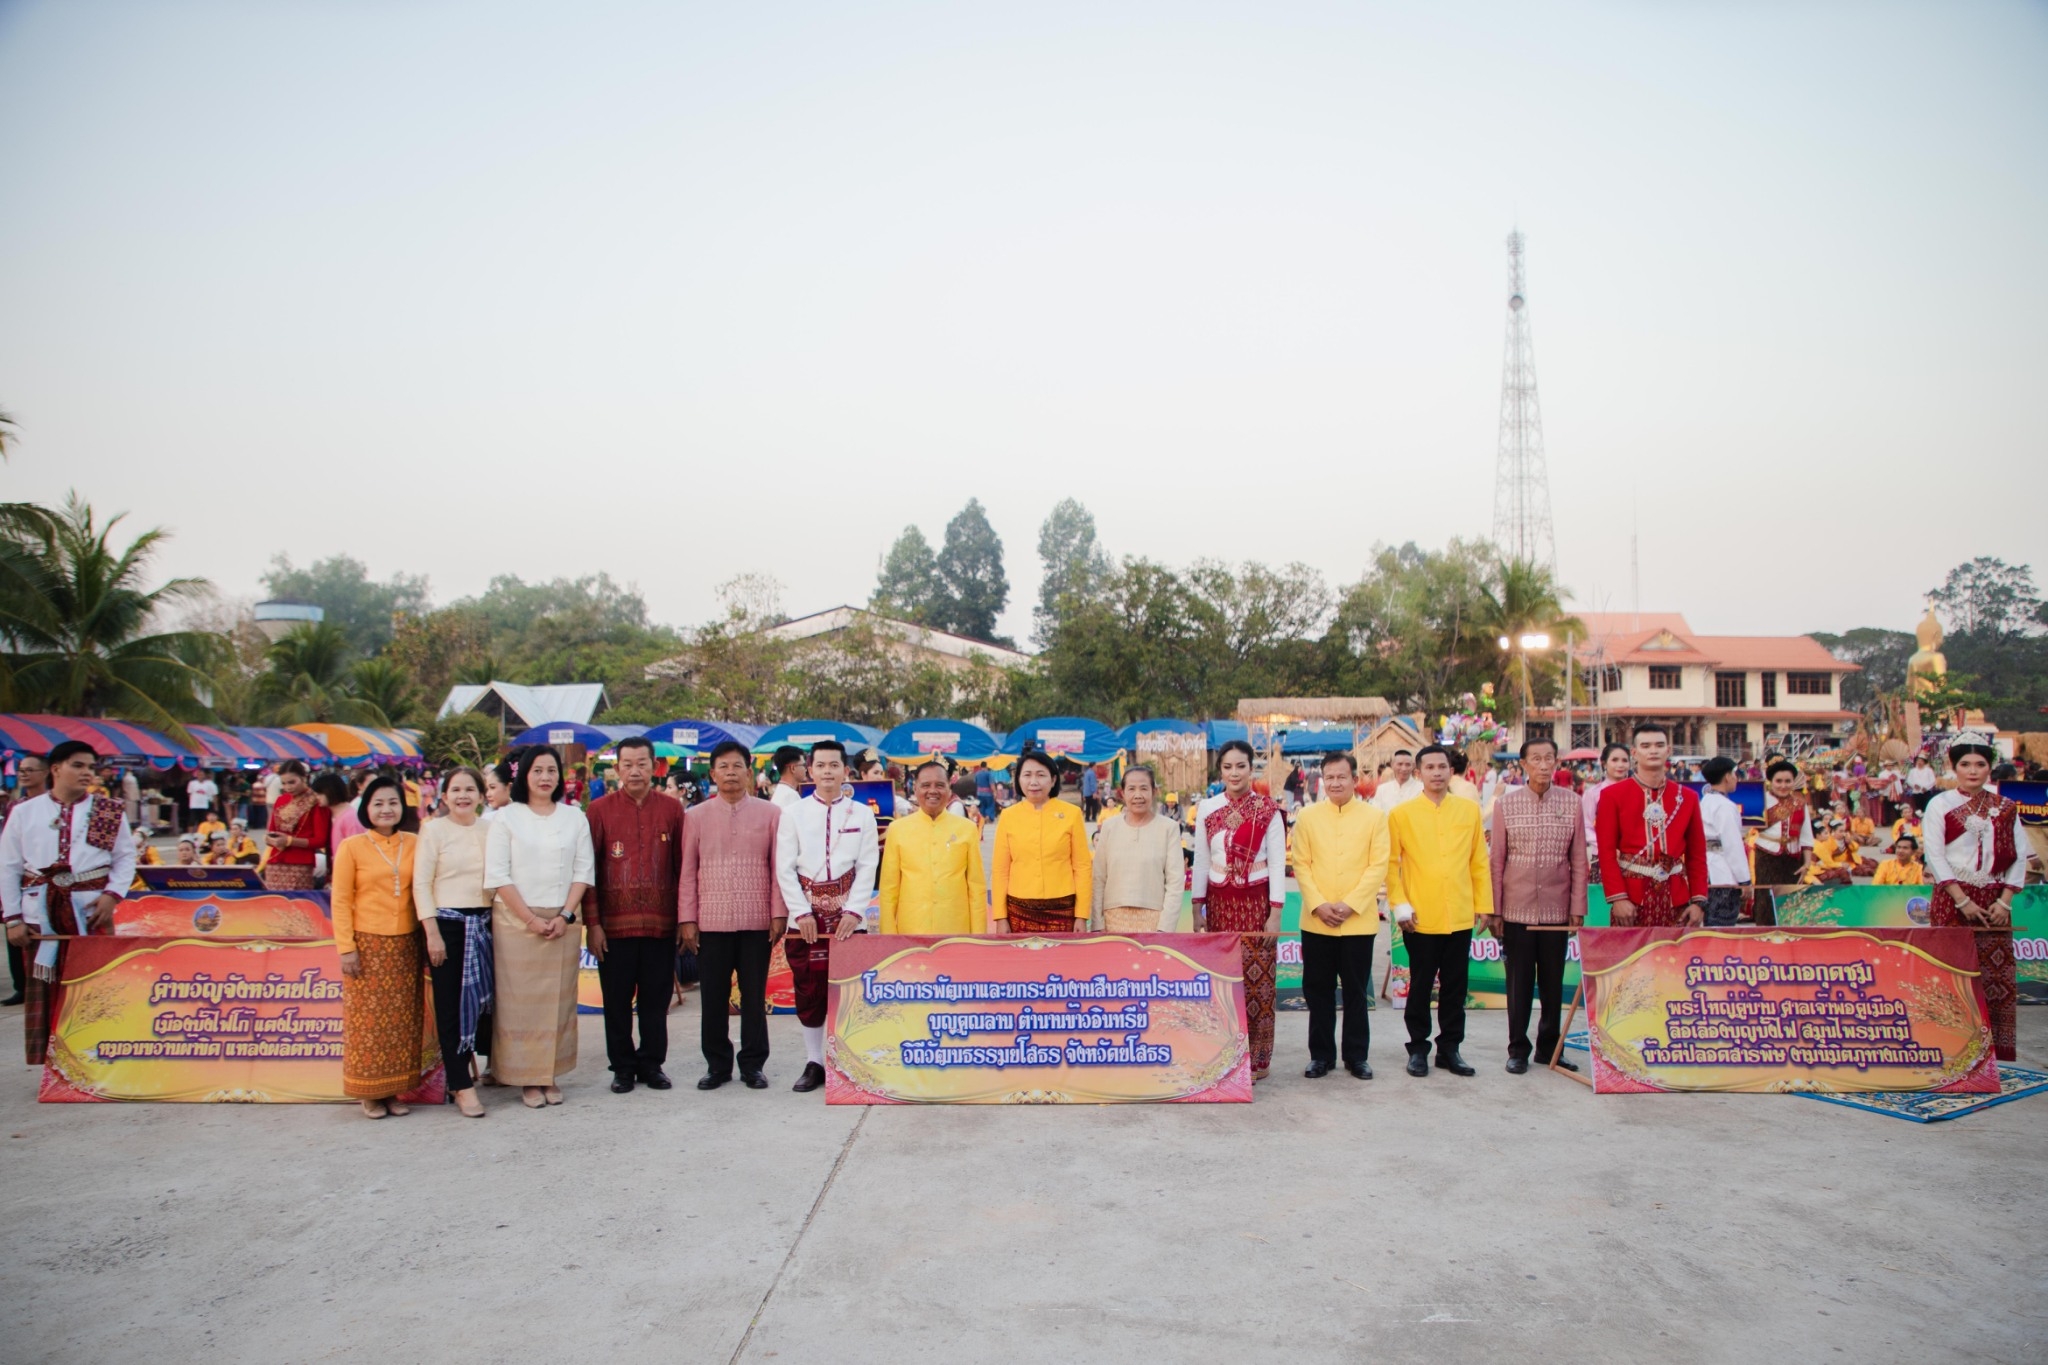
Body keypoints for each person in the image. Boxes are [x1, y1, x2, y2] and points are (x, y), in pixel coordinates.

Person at [483, 745, 594, 1109]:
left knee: (558, 1002)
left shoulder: (574, 817)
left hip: (562, 921)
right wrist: (530, 919)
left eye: (551, 770)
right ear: (523, 776)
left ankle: (549, 1074)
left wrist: (564, 915)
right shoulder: (505, 818)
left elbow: (583, 871)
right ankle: (525, 1078)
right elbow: (497, 874)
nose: (545, 777)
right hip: (516, 922)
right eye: (537, 770)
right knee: (520, 1003)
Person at [0, 741, 135, 1037]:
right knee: (46, 991)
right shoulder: (24, 812)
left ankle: (94, 1064)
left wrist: (112, 896)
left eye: (91, 767)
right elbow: (8, 865)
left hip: (91, 911)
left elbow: (125, 857)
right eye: (78, 765)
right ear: (56, 769)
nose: (87, 773)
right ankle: (53, 1071)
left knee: (96, 989)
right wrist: (12, 918)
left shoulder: (108, 810)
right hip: (39, 912)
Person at [678, 739, 788, 1090]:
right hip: (711, 922)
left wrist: (778, 913)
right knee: (712, 997)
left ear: (749, 771)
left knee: (754, 997)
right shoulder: (694, 817)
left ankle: (753, 1065)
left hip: (757, 921)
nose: (730, 772)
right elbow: (687, 871)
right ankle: (717, 1065)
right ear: (712, 773)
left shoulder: (771, 814)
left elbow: (777, 869)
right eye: (723, 766)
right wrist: (687, 919)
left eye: (737, 765)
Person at [774, 739, 879, 1093]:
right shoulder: (793, 814)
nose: (827, 772)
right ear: (810, 770)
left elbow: (867, 866)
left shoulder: (862, 814)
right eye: (820, 765)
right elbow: (784, 867)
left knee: (850, 989)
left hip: (849, 916)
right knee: (809, 988)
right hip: (805, 918)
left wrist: (855, 909)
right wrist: (800, 911)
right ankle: (814, 1061)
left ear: (845, 771)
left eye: (834, 765)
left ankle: (847, 1059)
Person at [583, 736, 686, 1094]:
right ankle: (623, 1067)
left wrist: (683, 920)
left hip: (660, 925)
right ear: (617, 769)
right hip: (613, 928)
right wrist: (593, 925)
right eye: (627, 764)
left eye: (642, 763)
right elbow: (589, 872)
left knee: (656, 1002)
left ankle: (652, 1064)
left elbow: (682, 870)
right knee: (616, 1002)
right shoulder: (598, 810)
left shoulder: (672, 811)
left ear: (654, 767)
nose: (635, 771)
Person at [1486, 736, 1588, 1074]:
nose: (1544, 765)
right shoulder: (1507, 805)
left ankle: (1549, 1048)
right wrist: (1496, 910)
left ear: (1557, 762)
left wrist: (1578, 906)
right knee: (1518, 983)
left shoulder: (1573, 803)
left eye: (1549, 758)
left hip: (1557, 909)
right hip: (1516, 909)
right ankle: (1517, 1049)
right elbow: (1497, 860)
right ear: (1524, 764)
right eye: (1536, 759)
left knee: (1553, 981)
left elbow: (1578, 859)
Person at [1387, 744, 1489, 1078]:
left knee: (1455, 988)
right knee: (1420, 985)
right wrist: (1400, 906)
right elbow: (1391, 865)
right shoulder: (1402, 815)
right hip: (1420, 917)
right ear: (1418, 773)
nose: (1436, 773)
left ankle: (1450, 1049)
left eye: (1442, 767)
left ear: (1451, 770)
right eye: (1429, 768)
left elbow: (1478, 861)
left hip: (1459, 913)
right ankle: (1418, 1048)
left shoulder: (1468, 811)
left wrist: (1483, 905)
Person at [1288, 751, 1389, 1080]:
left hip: (1358, 921)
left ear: (1354, 779)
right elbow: (1300, 864)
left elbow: (1377, 866)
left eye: (1341, 776)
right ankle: (1321, 1055)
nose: (1334, 783)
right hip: (1316, 920)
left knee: (1357, 991)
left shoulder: (1374, 818)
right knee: (1318, 990)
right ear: (1321, 780)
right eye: (1328, 777)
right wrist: (1318, 904)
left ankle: (1356, 1055)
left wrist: (1351, 904)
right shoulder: (1308, 817)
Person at [1924, 730, 2021, 1061]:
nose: (1973, 770)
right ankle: (1950, 1053)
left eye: (1980, 763)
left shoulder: (2006, 807)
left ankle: (1990, 1057)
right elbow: (1935, 856)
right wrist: (1962, 899)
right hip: (1952, 899)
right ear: (1954, 766)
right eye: (1965, 764)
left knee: (1994, 978)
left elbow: (2020, 856)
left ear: (1990, 767)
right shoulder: (1940, 804)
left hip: (1995, 900)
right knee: (1952, 974)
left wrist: (2004, 902)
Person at [331, 774, 423, 1120]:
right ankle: (369, 1093)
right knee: (368, 1024)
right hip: (367, 945)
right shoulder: (352, 847)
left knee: (401, 1022)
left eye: (393, 802)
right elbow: (340, 900)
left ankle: (394, 1090)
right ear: (366, 809)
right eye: (379, 803)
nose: (387, 809)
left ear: (403, 806)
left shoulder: (414, 842)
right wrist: (346, 949)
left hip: (407, 943)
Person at [1192, 740, 1285, 1081]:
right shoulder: (1207, 808)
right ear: (1221, 771)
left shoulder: (1267, 810)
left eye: (1241, 766)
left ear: (1251, 769)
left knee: (1258, 982)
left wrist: (1275, 912)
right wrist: (1196, 906)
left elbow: (1277, 864)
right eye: (1228, 767)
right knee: (1222, 980)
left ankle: (1258, 1059)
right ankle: (1225, 1054)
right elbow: (1201, 859)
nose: (1234, 773)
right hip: (1219, 905)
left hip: (1256, 904)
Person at [414, 766, 494, 1119]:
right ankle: (461, 1084)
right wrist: (432, 933)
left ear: (481, 794)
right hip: (447, 927)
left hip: (487, 925)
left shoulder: (491, 828)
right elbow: (421, 884)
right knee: (451, 1010)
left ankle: (491, 1069)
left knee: (484, 1006)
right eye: (455, 790)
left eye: (470, 789)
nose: (463, 796)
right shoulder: (433, 831)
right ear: (443, 796)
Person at [1595, 725, 1709, 928]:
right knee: (1630, 959)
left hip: (1676, 898)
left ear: (1669, 750)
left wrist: (1699, 902)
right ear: (1634, 752)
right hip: (1631, 898)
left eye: (1659, 745)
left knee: (1675, 958)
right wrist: (1617, 898)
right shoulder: (1612, 795)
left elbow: (1697, 854)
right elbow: (1606, 852)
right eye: (1646, 746)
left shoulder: (1688, 798)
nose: (1653, 751)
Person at [879, 761, 988, 934]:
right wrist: (889, 936)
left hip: (955, 929)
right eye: (925, 785)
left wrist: (978, 936)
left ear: (949, 789)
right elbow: (888, 890)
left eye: (939, 785)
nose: (932, 791)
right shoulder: (898, 829)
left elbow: (976, 888)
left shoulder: (966, 828)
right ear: (915, 789)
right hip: (911, 929)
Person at [991, 751, 1093, 935]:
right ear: (1018, 780)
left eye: (1041, 775)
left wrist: (1081, 915)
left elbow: (1082, 867)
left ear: (1053, 780)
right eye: (1027, 775)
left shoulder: (1072, 814)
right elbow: (1000, 870)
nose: (1033, 782)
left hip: (1062, 908)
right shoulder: (1008, 816)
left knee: (1063, 962)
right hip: (1019, 909)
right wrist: (1000, 917)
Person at [1090, 765, 1182, 934]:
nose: (1138, 795)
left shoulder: (1169, 828)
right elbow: (1098, 878)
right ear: (1122, 793)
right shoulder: (1110, 827)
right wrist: (1097, 924)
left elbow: (1175, 882)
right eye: (1131, 789)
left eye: (1144, 788)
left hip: (1154, 920)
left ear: (1154, 792)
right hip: (1112, 919)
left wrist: (1165, 928)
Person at [1750, 759, 1812, 924]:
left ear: (1793, 782)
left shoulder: (1799, 803)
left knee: (1790, 901)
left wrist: (1806, 864)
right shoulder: (1761, 800)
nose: (1783, 785)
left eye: (1787, 781)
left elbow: (1806, 835)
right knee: (1766, 900)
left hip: (1792, 858)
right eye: (1779, 781)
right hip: (1766, 855)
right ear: (1771, 782)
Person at [1697, 757, 1751, 928]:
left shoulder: (1705, 801)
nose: (1736, 778)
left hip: (1705, 868)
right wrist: (1744, 880)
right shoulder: (1725, 806)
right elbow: (1732, 844)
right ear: (1727, 776)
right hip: (1722, 871)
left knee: (1709, 922)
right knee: (1722, 925)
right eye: (1734, 774)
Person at [1581, 744, 1631, 883]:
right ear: (1604, 763)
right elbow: (1586, 825)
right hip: (1604, 857)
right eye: (1614, 760)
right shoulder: (1593, 793)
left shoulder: (1639, 792)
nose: (1620, 765)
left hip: (1636, 859)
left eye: (1624, 760)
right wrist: (1606, 847)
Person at [769, 746, 807, 811]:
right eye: (804, 765)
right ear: (793, 768)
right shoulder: (790, 796)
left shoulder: (781, 791)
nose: (805, 769)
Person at [185, 768, 219, 832]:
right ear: (197, 775)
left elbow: (212, 795)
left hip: (204, 805)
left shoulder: (208, 784)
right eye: (199, 774)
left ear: (204, 776)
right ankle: (189, 834)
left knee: (202, 820)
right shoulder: (192, 783)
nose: (201, 776)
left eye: (202, 775)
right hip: (194, 805)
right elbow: (189, 793)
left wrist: (215, 805)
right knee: (192, 820)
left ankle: (201, 832)